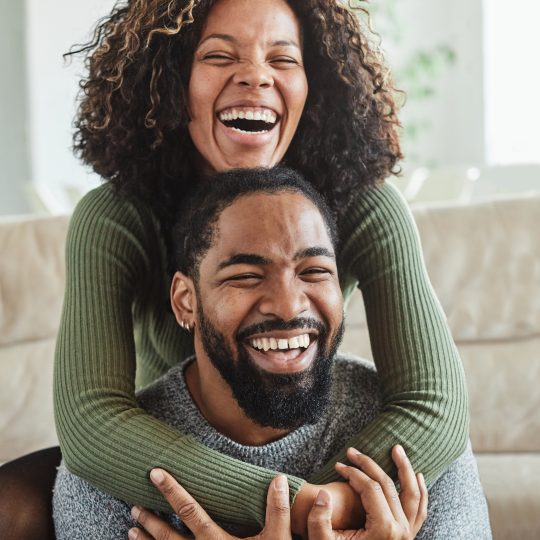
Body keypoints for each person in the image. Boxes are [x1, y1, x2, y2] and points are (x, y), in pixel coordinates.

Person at [0, 0, 470, 538]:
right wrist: (302, 511)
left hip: (310, 435)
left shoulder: (364, 206)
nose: (255, 75)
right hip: (171, 447)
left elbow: (434, 406)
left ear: (313, 85)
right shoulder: (117, 217)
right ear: (172, 80)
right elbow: (92, 422)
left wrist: (324, 504)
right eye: (220, 55)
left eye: (283, 59)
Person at [52, 167, 491, 540]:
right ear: (186, 300)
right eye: (245, 276)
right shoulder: (112, 477)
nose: (288, 305)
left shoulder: (409, 453)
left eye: (315, 271)